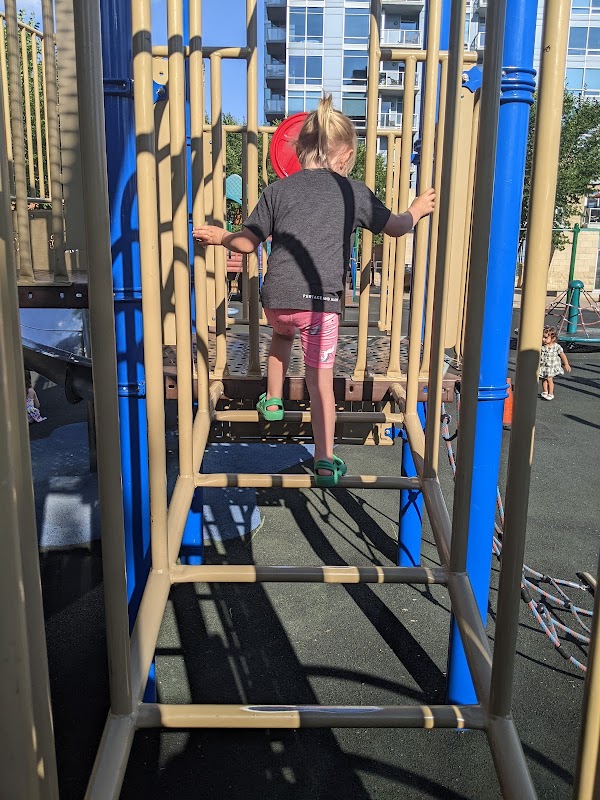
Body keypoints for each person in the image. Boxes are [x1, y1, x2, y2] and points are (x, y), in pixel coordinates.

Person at [193, 95, 435, 486]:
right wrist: (417, 209)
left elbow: (247, 243)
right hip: (321, 305)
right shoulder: (352, 192)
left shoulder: (277, 191)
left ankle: (273, 401)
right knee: (320, 382)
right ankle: (324, 459)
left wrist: (222, 236)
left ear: (298, 150)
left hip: (277, 300)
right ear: (346, 156)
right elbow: (396, 227)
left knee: (280, 339)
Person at [539, 325, 571, 400]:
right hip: (544, 366)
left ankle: (551, 393)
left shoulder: (556, 347)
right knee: (544, 379)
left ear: (553, 338)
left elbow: (562, 355)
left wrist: (566, 364)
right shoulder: (542, 346)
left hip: (552, 366)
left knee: (549, 379)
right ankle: (545, 391)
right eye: (543, 337)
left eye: (546, 338)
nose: (543, 339)